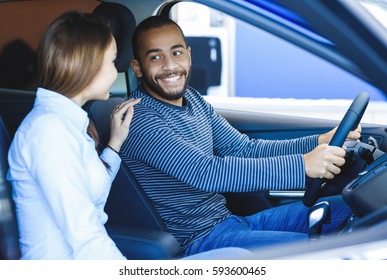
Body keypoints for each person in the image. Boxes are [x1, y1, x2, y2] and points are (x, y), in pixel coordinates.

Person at [119, 15, 361, 257]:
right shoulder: (139, 118)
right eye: (155, 57)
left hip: (230, 223)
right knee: (327, 255)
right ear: (138, 67)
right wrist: (303, 165)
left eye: (177, 53)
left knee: (353, 208)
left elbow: (245, 149)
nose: (170, 66)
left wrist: (319, 142)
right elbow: (207, 172)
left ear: (189, 55)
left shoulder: (193, 99)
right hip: (198, 242)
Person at [6, 11, 140, 260]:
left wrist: (114, 145)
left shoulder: (67, 123)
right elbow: (84, 236)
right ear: (87, 66)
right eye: (112, 62)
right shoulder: (49, 131)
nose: (115, 72)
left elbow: (90, 197)